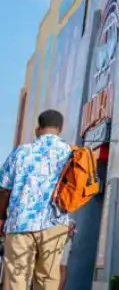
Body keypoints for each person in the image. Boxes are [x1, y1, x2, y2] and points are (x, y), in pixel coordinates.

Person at [0, 110, 73, 290]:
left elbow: (4, 188)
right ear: (61, 128)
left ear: (38, 128)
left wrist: (2, 216)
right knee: (48, 278)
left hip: (20, 222)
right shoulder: (70, 153)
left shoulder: (21, 152)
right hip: (55, 223)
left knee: (17, 278)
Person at [58, 220, 76, 290]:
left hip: (66, 242)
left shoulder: (70, 221)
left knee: (62, 267)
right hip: (61, 242)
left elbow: (71, 226)